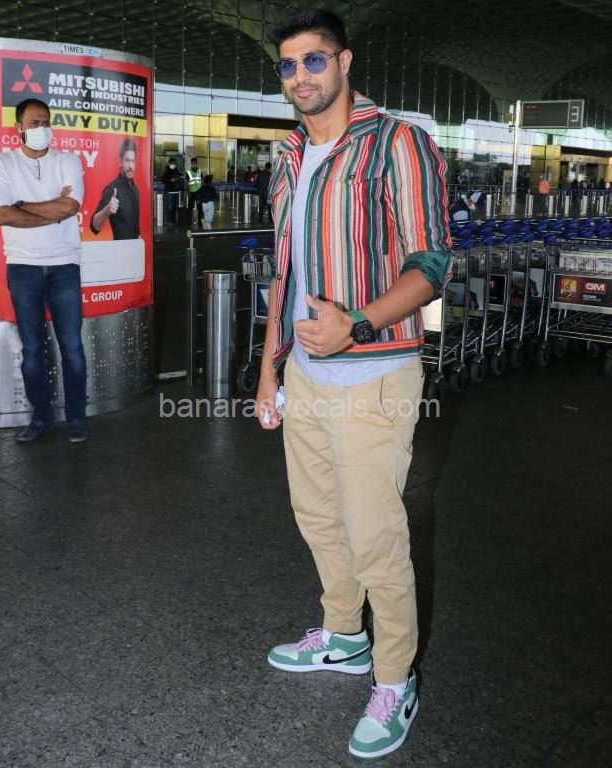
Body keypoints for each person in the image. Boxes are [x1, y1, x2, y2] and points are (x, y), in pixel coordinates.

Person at [256, 8, 452, 761]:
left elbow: (431, 264)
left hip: (374, 374)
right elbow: (284, 276)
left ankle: (395, 677)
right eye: (288, 64)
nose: (300, 75)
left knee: (376, 536)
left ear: (343, 62)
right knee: (318, 517)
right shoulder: (288, 157)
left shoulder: (398, 142)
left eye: (314, 59)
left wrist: (358, 324)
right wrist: (269, 371)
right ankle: (343, 635)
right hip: (304, 376)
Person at [0, 98, 87, 443]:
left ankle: (77, 418)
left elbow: (70, 206)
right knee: (32, 350)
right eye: (34, 123)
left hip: (64, 265)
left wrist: (23, 205)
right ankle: (41, 417)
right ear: (19, 128)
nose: (41, 128)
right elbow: (3, 215)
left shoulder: (67, 161)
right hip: (23, 267)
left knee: (72, 347)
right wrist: (51, 211)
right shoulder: (1, 163)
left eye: (45, 122)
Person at [91, 138, 140, 239]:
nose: (130, 166)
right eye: (127, 160)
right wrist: (107, 210)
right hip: (120, 247)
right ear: (120, 162)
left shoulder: (135, 190)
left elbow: (134, 225)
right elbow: (94, 226)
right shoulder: (112, 189)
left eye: (133, 161)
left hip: (135, 246)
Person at [162, 157, 181, 223]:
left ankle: (173, 221)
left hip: (176, 191)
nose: (173, 165)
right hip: (169, 192)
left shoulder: (176, 170)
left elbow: (179, 176)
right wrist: (170, 180)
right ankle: (168, 221)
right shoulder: (167, 171)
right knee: (169, 207)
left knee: (174, 207)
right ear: (169, 163)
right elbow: (163, 180)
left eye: (174, 163)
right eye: (172, 163)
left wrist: (178, 178)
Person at [186, 157, 203, 226]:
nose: (194, 164)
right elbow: (186, 182)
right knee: (190, 208)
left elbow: (202, 180)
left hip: (199, 192)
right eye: (193, 163)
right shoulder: (188, 172)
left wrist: (202, 189)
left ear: (197, 163)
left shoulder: (199, 171)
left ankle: (200, 222)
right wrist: (188, 192)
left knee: (199, 208)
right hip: (191, 192)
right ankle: (188, 221)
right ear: (191, 164)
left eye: (195, 163)